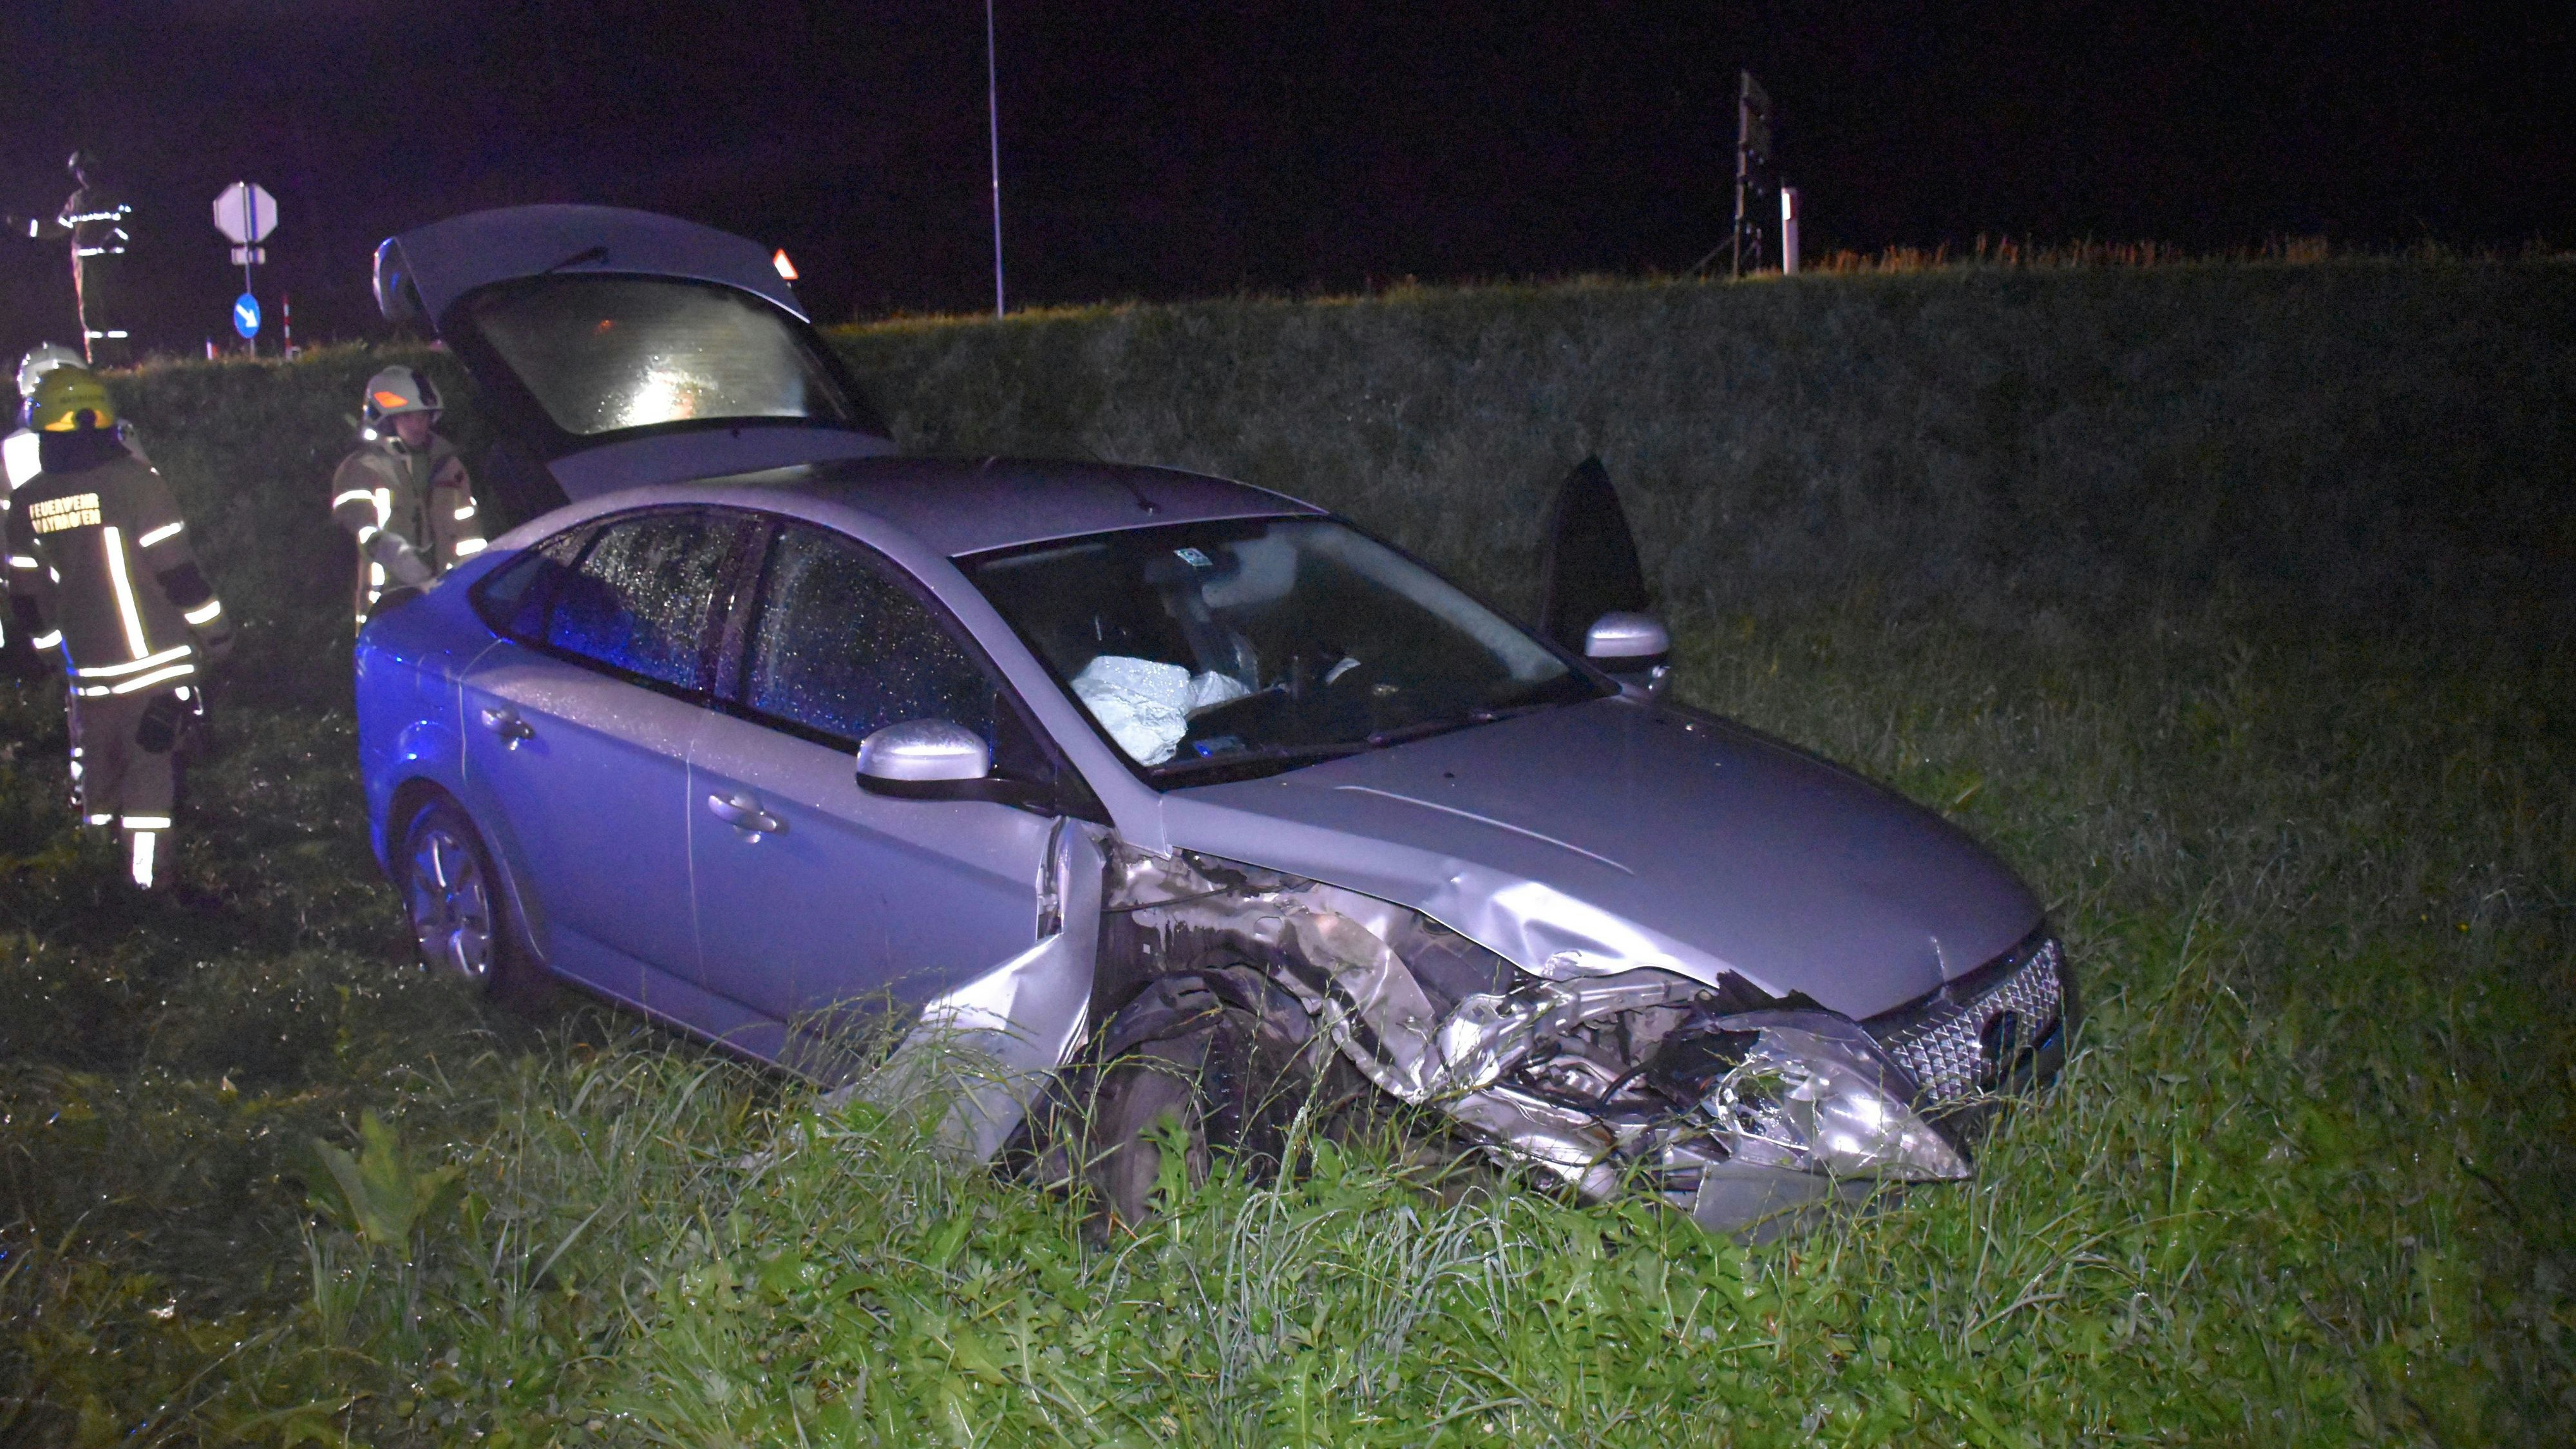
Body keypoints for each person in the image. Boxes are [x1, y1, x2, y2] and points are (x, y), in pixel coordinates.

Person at [5, 365, 233, 889]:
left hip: (86, 676)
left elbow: (26, 598)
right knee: (150, 785)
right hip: (155, 669)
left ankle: (95, 881)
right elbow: (179, 574)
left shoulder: (26, 504)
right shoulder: (137, 484)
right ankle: (147, 893)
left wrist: (51, 655)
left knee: (99, 784)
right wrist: (218, 636)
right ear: (101, 421)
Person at [330, 365, 485, 629]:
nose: (418, 424)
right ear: (384, 420)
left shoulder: (449, 466)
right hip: (388, 609)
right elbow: (354, 516)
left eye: (424, 416)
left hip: (450, 603)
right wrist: (395, 553)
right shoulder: (364, 467)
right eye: (408, 416)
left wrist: (479, 578)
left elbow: (471, 536)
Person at [8, 153, 135, 366]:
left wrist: (115, 239)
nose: (83, 175)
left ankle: (122, 360)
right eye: (79, 171)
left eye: (86, 169)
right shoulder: (75, 201)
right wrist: (25, 226)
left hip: (109, 265)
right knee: (90, 315)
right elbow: (56, 228)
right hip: (84, 268)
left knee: (112, 312)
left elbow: (128, 223)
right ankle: (98, 361)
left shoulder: (112, 199)